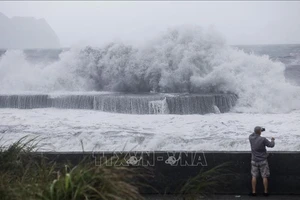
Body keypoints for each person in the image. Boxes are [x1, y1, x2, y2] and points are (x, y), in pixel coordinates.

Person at [249, 126, 275, 196]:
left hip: (254, 160)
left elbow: (253, 133)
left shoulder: (250, 138)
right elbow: (271, 145)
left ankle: (254, 192)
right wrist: (272, 140)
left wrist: (258, 131)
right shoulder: (263, 139)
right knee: (264, 176)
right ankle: (265, 192)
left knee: (254, 176)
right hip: (263, 161)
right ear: (260, 132)